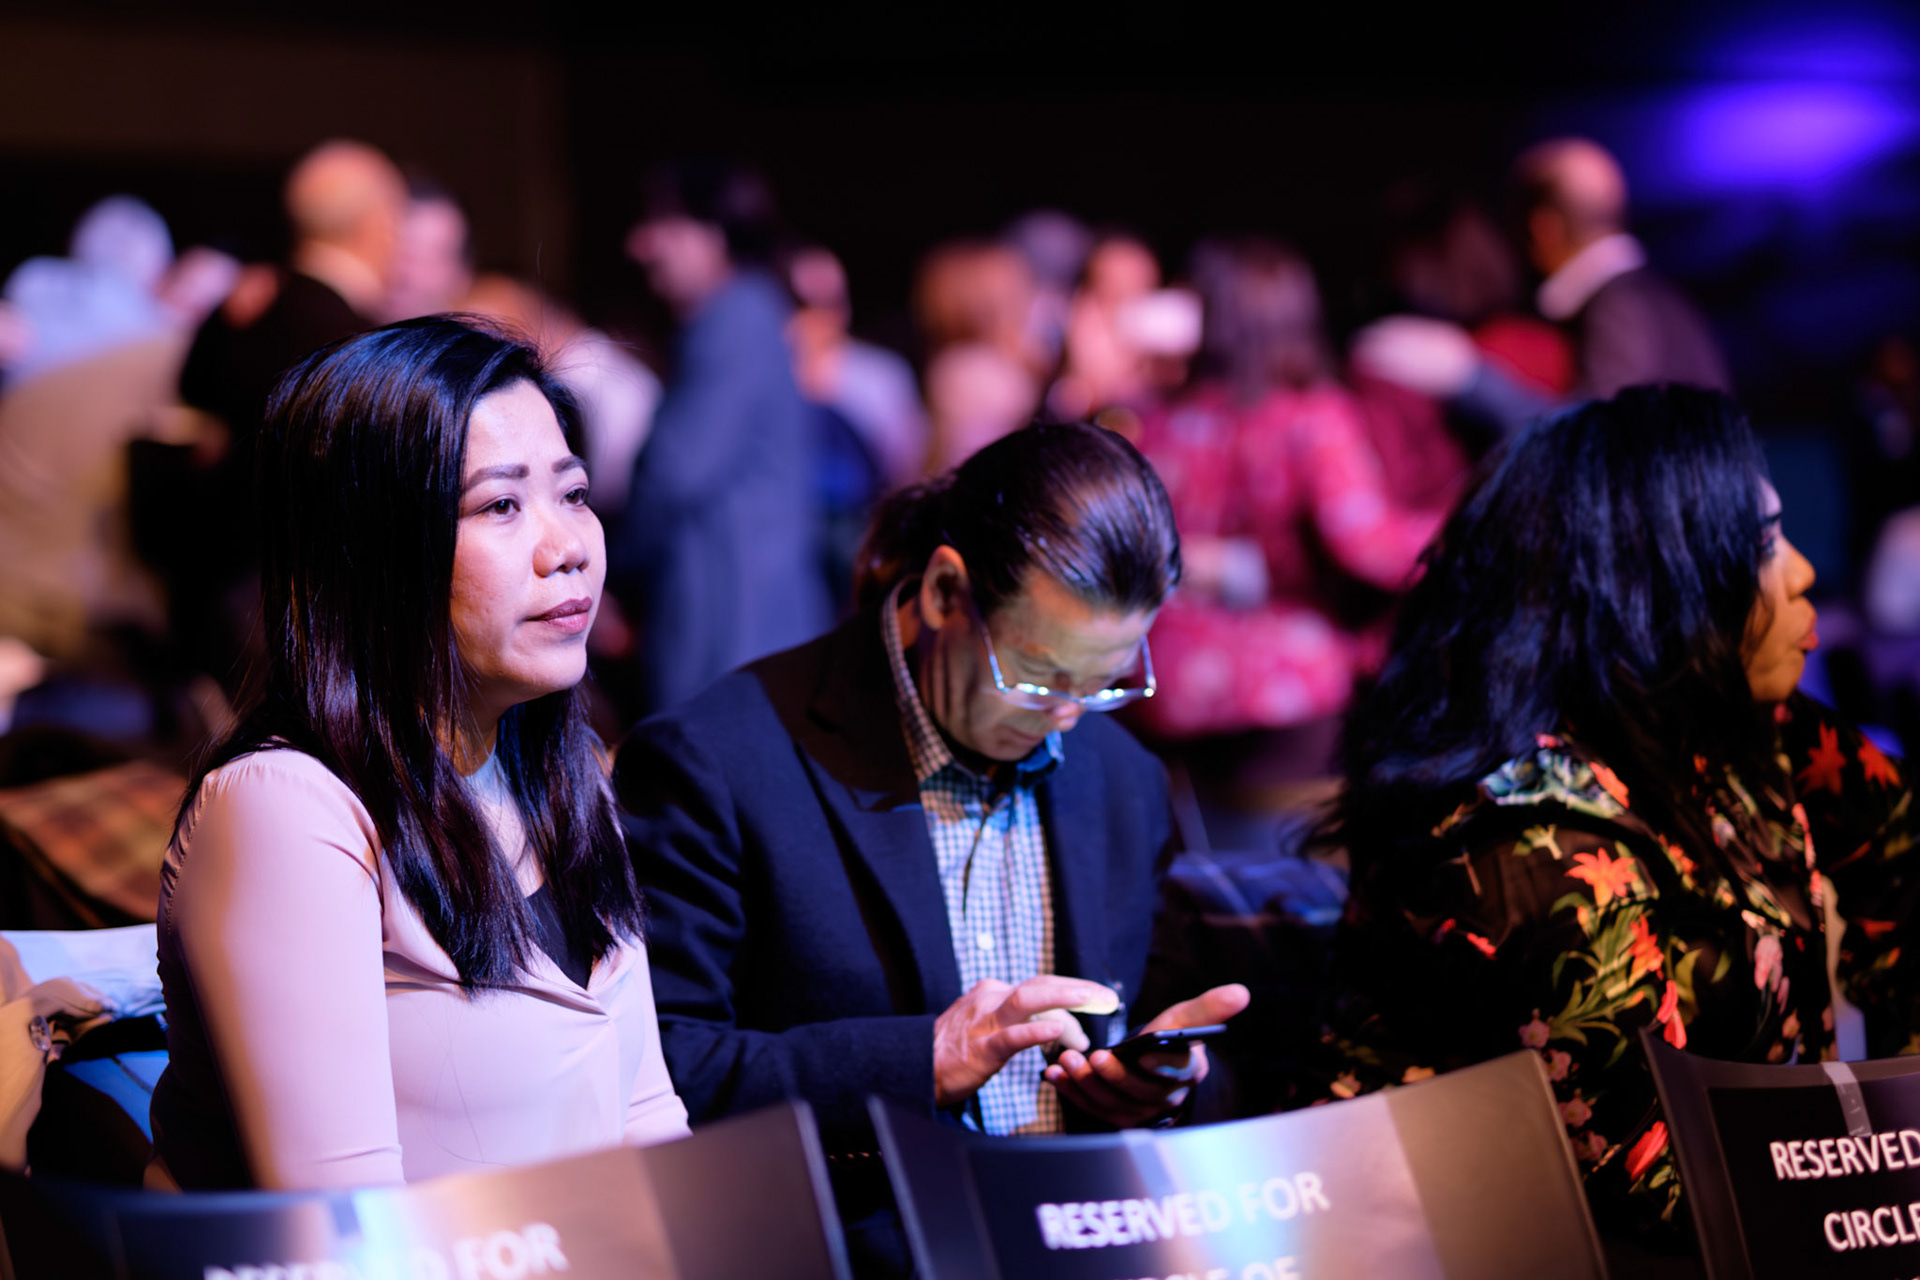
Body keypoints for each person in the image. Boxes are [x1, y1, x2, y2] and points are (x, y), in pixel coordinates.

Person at [615, 421, 1249, 1278]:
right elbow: (663, 1069)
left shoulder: (1122, 777)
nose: (1067, 717)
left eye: (1104, 683)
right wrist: (922, 1062)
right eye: (1039, 675)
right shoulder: (720, 760)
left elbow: (1173, 1029)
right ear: (948, 592)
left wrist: (1162, 1085)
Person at [1328, 385, 1919, 1253]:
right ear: (1651, 586)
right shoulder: (1530, 843)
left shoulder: (1743, 727)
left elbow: (1905, 860)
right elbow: (1667, 1212)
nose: (1802, 572)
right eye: (1761, 546)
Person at [149, 318, 688, 1191]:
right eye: (501, 506)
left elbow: (649, 1120)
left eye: (574, 494)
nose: (569, 550)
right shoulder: (289, 806)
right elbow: (347, 1225)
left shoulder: (563, 770)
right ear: (376, 553)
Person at [1131, 238, 1448, 743]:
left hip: (1160, 679)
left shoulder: (1159, 419)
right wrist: (1474, 526)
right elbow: (1368, 545)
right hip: (1276, 685)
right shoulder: (1308, 415)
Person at [613, 160, 829, 714]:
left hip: (730, 617)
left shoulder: (735, 318)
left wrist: (606, 571)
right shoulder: (748, 314)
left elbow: (674, 472)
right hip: (739, 610)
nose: (641, 244)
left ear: (713, 235)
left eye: (663, 222)